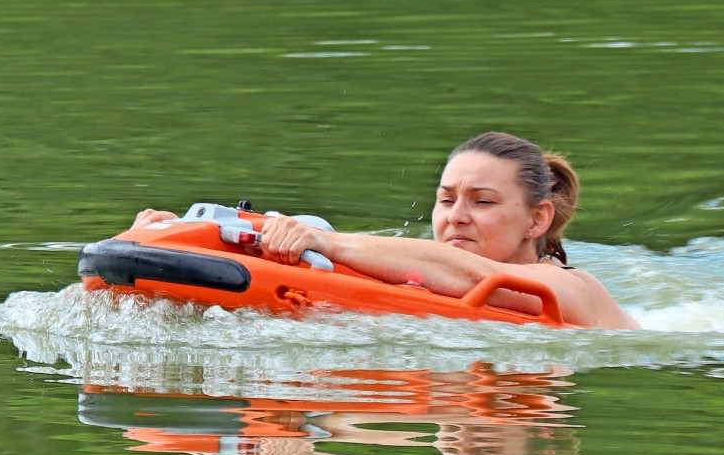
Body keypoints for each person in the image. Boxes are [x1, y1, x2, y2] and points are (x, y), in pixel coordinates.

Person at [133, 132, 639, 329]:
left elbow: (471, 275)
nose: (455, 217)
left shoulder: (574, 290)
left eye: (482, 202)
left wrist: (326, 240)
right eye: (445, 200)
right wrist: (169, 235)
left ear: (538, 219)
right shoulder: (415, 279)